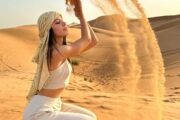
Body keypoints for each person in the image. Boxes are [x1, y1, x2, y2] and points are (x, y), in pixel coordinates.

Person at [22, 0, 99, 120]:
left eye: (63, 20)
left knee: (91, 116)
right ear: (49, 29)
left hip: (55, 104)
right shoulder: (56, 52)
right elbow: (87, 40)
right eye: (57, 22)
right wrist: (81, 14)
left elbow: (93, 41)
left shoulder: (62, 50)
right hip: (40, 112)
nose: (64, 23)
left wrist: (80, 17)